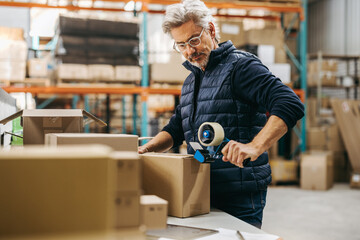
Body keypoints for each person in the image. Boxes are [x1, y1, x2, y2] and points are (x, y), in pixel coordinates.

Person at [138, 0, 304, 229]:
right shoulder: (191, 80)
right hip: (203, 189)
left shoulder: (241, 67)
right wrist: (147, 149)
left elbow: (289, 102)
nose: (189, 51)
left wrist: (255, 146)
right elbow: (177, 127)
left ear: (212, 30)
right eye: (181, 45)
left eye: (194, 40)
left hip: (239, 195)